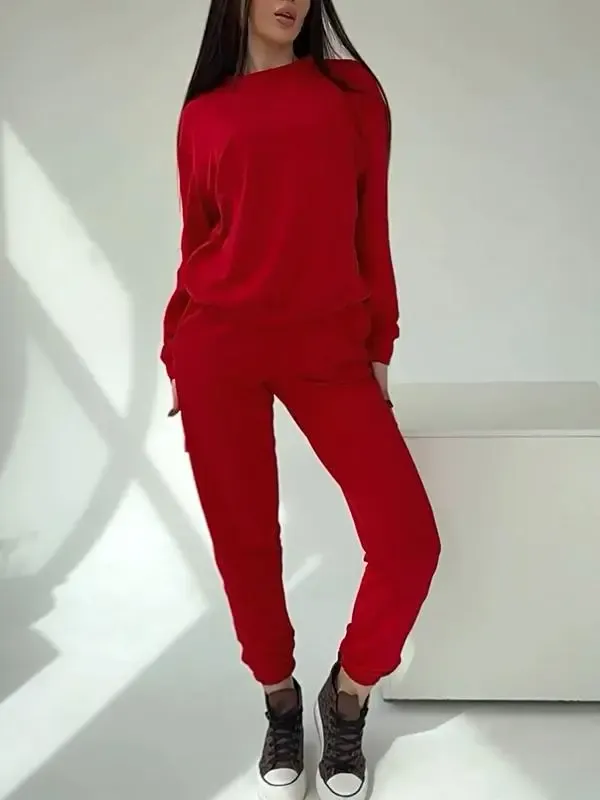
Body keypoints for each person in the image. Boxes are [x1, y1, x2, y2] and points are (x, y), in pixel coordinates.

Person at [160, 1, 441, 798]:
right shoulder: (202, 115)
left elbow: (371, 226)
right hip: (219, 346)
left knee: (408, 542)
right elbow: (197, 239)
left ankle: (345, 698)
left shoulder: (350, 93)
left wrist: (380, 345)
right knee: (245, 542)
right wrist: (178, 351)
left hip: (327, 346)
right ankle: (280, 702)